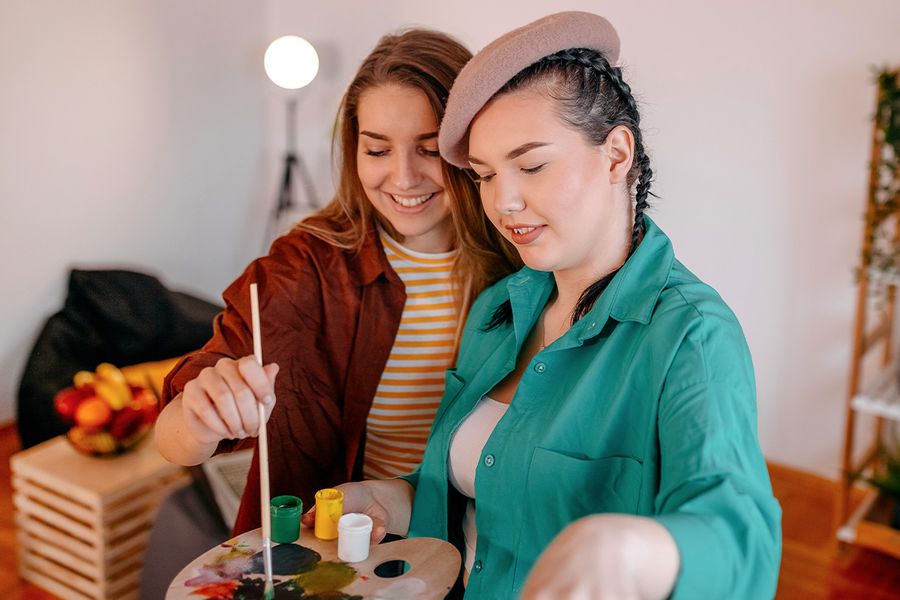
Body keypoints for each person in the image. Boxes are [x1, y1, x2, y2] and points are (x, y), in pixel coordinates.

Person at [312, 11, 782, 599]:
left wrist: (635, 550)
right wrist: (392, 497)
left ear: (617, 155)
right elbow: (485, 484)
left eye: (531, 165)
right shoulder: (497, 310)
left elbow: (740, 540)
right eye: (484, 175)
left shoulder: (691, 335)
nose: (503, 202)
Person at [154, 28, 519, 537]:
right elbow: (173, 439)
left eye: (429, 149)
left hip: (482, 542)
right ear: (353, 149)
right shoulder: (305, 266)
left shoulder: (522, 262)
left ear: (469, 148)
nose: (403, 178)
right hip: (337, 546)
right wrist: (201, 417)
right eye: (377, 150)